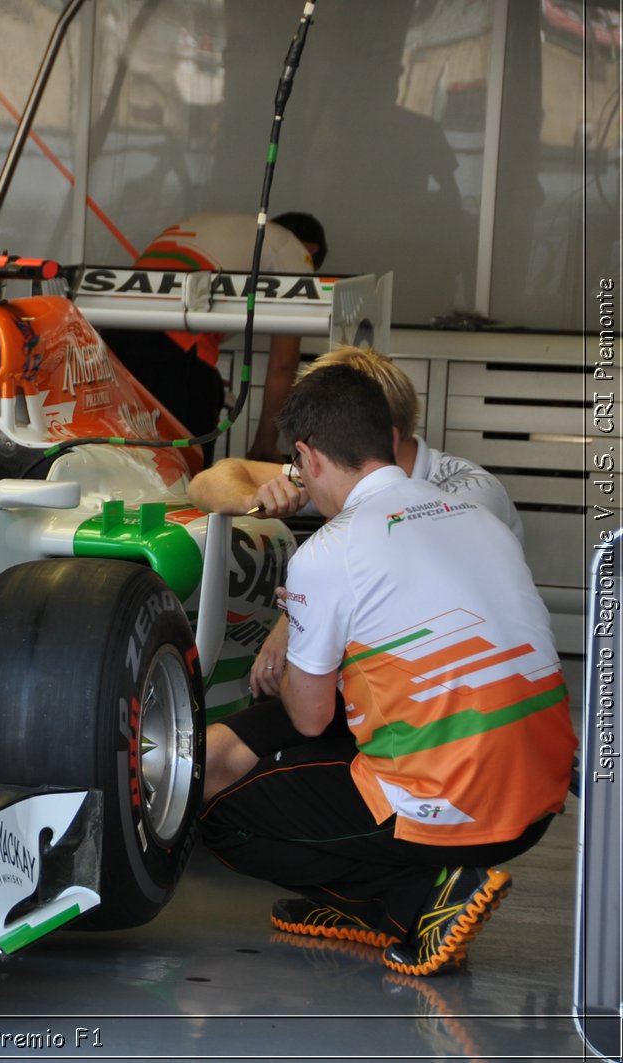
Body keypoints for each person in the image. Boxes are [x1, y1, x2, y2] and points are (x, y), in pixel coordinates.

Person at [198, 364, 575, 977]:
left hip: (460, 812)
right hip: (540, 798)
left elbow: (309, 712)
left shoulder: (329, 551)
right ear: (386, 434)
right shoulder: (473, 511)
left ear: (306, 457)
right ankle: (392, 898)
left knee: (223, 815)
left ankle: (418, 898)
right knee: (266, 743)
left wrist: (302, 624)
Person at [190, 345, 526, 740]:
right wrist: (255, 498)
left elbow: (393, 589)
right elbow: (210, 480)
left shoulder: (470, 494)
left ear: (369, 428)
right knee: (214, 754)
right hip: (376, 693)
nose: (304, 465)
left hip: (451, 712)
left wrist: (292, 618)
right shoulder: (338, 465)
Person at [98, 212, 326, 463]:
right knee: (185, 468)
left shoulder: (225, 227)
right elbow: (283, 363)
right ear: (311, 250)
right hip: (173, 341)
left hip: (113, 331)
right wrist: (264, 446)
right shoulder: (293, 249)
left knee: (128, 458)